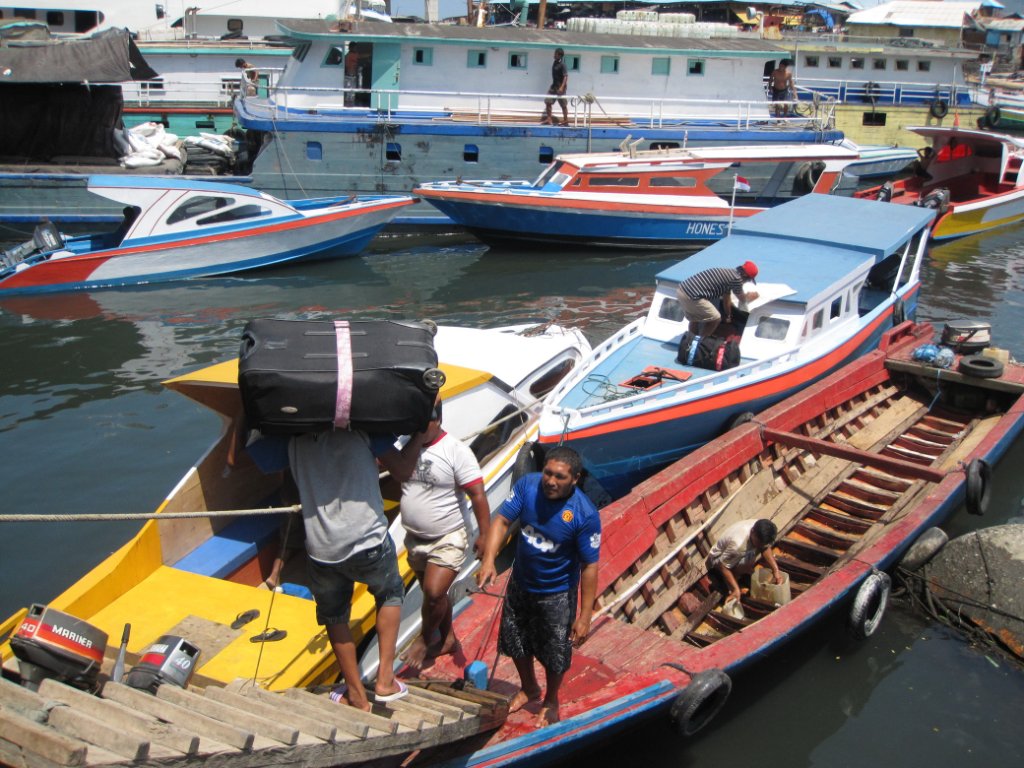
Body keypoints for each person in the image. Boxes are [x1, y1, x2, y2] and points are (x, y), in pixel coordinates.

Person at [288, 427, 428, 711]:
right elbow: (402, 470)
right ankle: (385, 680)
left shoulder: (293, 438)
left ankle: (356, 695)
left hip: (322, 547)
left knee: (335, 616)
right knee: (389, 593)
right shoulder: (363, 429)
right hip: (367, 540)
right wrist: (419, 434)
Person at [476, 446, 601, 728]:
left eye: (559, 476)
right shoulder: (527, 486)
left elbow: (589, 566)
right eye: (547, 473)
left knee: (555, 652)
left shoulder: (585, 515)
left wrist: (585, 615)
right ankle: (529, 687)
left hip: (556, 594)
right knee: (514, 640)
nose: (551, 481)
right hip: (520, 582)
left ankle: (551, 699)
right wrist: (489, 560)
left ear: (575, 478)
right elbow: (503, 520)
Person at [397, 399, 491, 669]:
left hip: (448, 536)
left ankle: (425, 640)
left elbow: (478, 495)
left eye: (423, 421)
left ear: (437, 420)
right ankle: (448, 637)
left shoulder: (456, 451)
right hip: (415, 539)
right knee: (434, 595)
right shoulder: (406, 445)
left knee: (435, 592)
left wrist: (484, 536)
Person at [706, 518, 784, 605]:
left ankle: (739, 576)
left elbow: (765, 547)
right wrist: (735, 589)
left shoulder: (760, 527)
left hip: (732, 555)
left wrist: (775, 570)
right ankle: (732, 581)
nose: (761, 546)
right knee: (744, 564)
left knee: (749, 560)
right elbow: (723, 566)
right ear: (752, 531)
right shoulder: (738, 545)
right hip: (716, 561)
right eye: (759, 543)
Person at [675, 261, 759, 338]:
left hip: (681, 290)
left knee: (695, 319)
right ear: (744, 275)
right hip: (692, 296)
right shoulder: (737, 279)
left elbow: (726, 298)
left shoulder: (729, 274)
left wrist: (728, 315)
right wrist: (749, 297)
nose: (746, 282)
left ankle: (691, 341)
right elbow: (742, 299)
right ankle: (701, 343)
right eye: (748, 280)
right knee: (716, 318)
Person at [541, 48, 569, 126]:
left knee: (563, 105)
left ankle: (566, 120)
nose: (554, 55)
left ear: (559, 55)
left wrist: (562, 87)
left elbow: (565, 77)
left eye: (556, 54)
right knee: (548, 101)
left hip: (560, 88)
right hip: (554, 86)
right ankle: (549, 119)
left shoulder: (563, 65)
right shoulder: (555, 62)